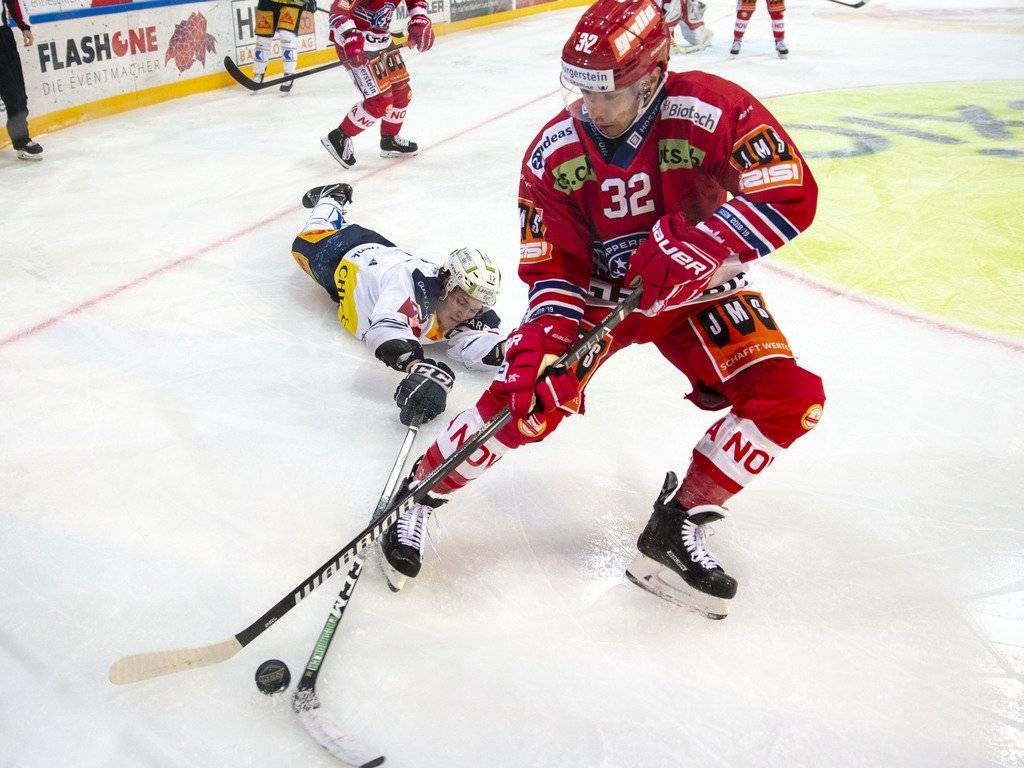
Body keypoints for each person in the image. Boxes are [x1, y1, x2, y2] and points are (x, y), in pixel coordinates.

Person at [378, 0, 824, 616]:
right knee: (527, 401)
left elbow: (789, 191)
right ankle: (422, 493)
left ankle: (677, 524)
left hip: (698, 291)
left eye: (609, 93)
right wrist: (541, 343)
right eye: (583, 91)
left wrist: (699, 247)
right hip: (596, 299)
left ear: (653, 77)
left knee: (791, 397)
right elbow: (554, 271)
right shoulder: (553, 154)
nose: (593, 108)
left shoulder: (713, 108)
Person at [291, 183, 505, 427]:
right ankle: (332, 197)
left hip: (385, 252)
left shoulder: (469, 308)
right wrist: (417, 366)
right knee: (308, 238)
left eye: (475, 308)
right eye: (462, 301)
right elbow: (383, 329)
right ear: (447, 284)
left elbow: (476, 343)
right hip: (340, 256)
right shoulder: (410, 286)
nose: (465, 314)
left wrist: (512, 350)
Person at [321, 0, 434, 168]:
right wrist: (350, 34)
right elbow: (339, 9)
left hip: (381, 39)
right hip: (354, 43)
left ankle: (390, 140)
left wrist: (419, 19)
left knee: (402, 94)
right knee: (380, 102)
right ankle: (339, 137)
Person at [1, 0, 42, 160]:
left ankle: (21, 141)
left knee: (16, 94)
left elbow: (14, 3)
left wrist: (24, 27)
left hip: (3, 38)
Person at [252, 0, 318, 93]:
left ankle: (289, 74)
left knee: (287, 36)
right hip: (267, 2)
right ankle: (258, 73)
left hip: (292, 3)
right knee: (262, 39)